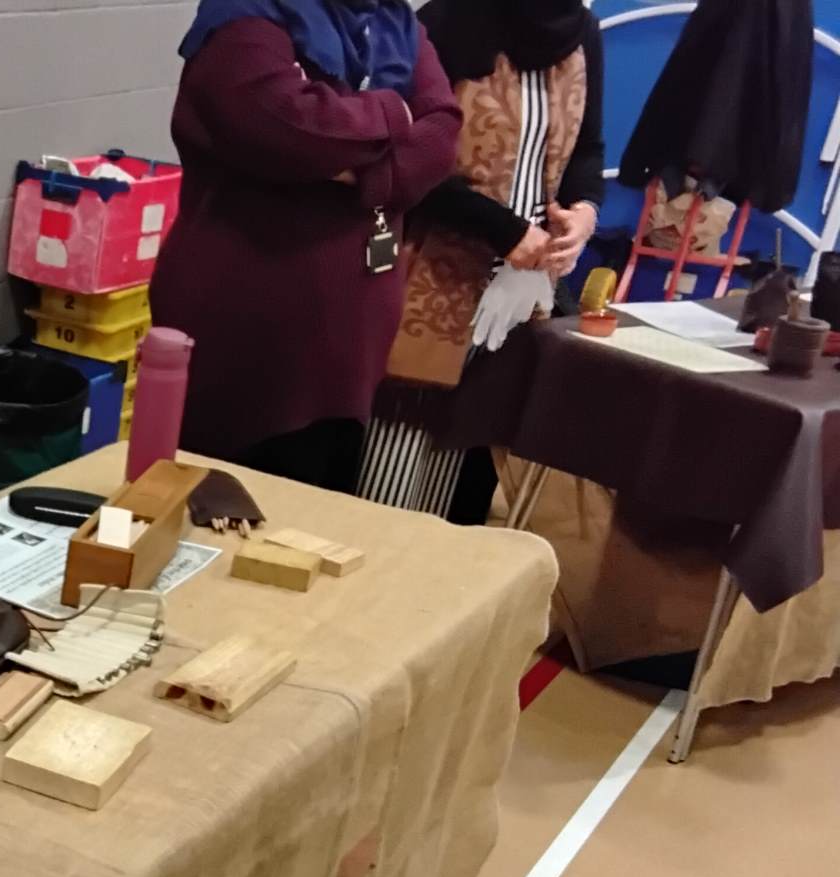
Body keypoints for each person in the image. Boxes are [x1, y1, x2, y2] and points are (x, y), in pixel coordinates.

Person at [148, 0, 462, 492]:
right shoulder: (244, 16)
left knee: (318, 514)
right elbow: (285, 126)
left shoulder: (393, 22)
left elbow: (441, 136)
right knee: (223, 510)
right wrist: (394, 112)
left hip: (354, 337)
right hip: (249, 326)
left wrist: (363, 170)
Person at [356, 0, 605, 520]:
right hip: (433, 270)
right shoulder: (446, 21)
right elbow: (404, 155)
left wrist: (584, 212)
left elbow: (587, 148)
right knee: (392, 476)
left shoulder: (580, 31)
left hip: (523, 291)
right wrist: (503, 229)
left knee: (469, 468)